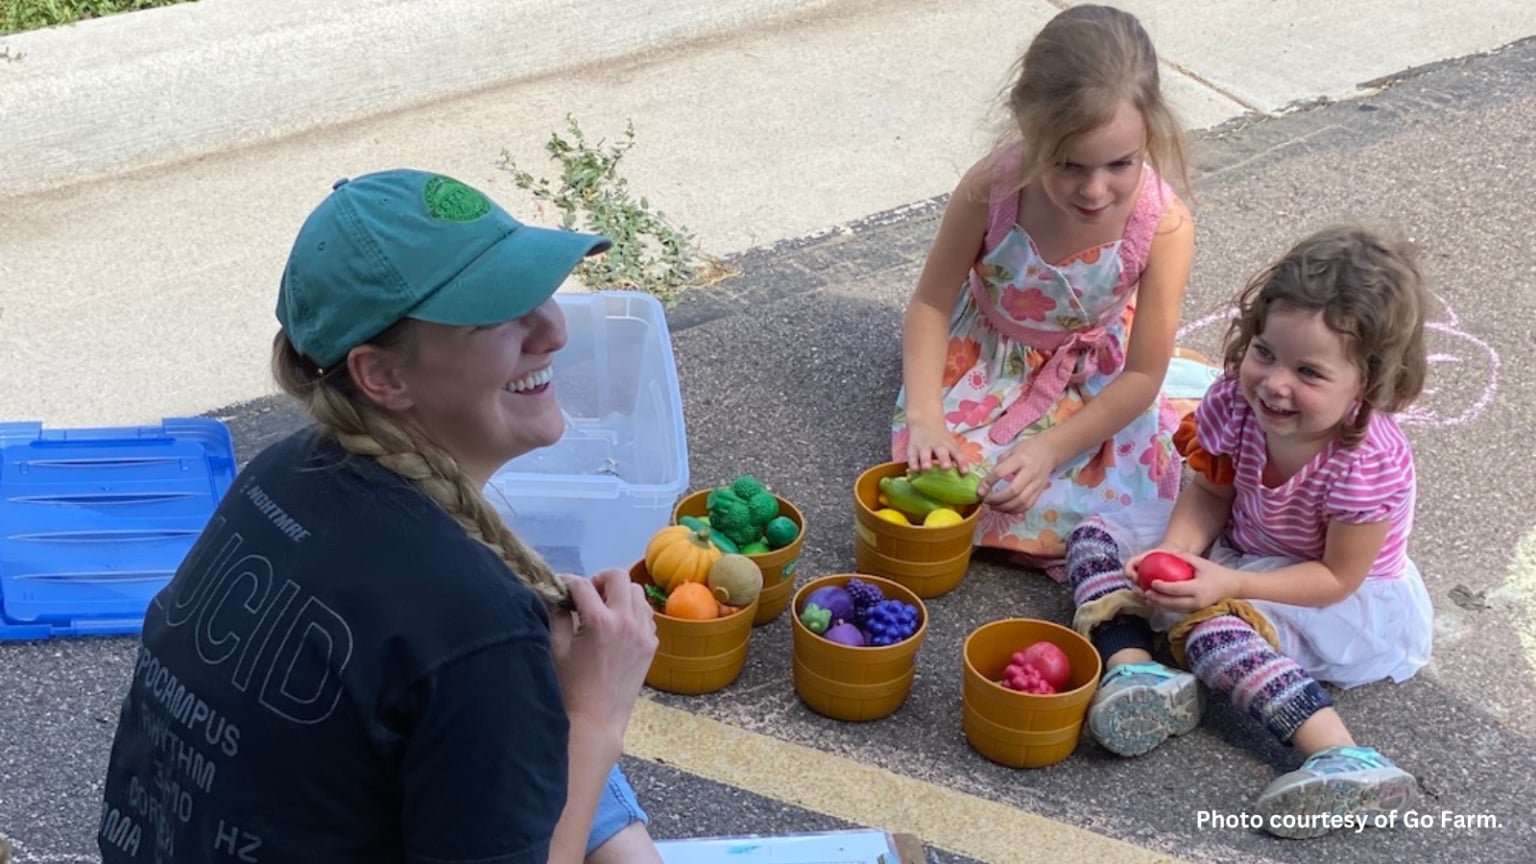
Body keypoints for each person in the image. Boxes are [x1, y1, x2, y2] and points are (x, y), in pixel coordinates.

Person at [97, 169, 662, 863]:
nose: (553, 329)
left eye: (541, 290)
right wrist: (597, 714)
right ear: (382, 377)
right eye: (497, 313)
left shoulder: (285, 473)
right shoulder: (474, 625)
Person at [1067, 226, 1433, 838]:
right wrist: (1176, 550)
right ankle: (1136, 672)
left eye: (1309, 373)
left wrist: (1224, 582)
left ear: (1365, 384)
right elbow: (1211, 490)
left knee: (1211, 627)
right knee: (1095, 535)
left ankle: (1341, 754)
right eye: (1265, 353)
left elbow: (1339, 577)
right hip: (1244, 550)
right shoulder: (1236, 402)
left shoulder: (1364, 458)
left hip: (1331, 596)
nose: (1275, 383)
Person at [893, 4, 1195, 578]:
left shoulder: (1163, 225)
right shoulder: (993, 189)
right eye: (1068, 165)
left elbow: (1141, 375)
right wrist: (927, 418)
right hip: (985, 362)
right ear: (1028, 129)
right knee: (957, 479)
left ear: (1150, 134)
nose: (1094, 189)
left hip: (1095, 385)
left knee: (1130, 505)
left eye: (1120, 164)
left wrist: (1052, 448)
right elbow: (931, 303)